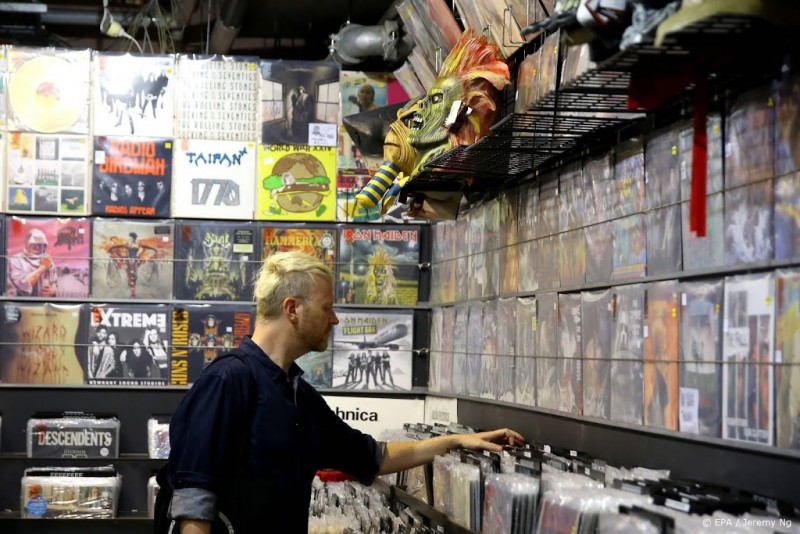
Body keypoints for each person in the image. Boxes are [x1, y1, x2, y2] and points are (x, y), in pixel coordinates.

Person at [164, 251, 524, 533]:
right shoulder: (228, 380)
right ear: (292, 309)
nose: (334, 319)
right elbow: (193, 499)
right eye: (327, 307)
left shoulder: (299, 396)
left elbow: (372, 457)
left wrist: (457, 442)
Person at [8, 229, 58, 297]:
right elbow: (23, 283)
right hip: (22, 302)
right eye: (34, 244)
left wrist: (53, 290)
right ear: (27, 244)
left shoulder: (47, 260)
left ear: (45, 246)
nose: (37, 247)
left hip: (44, 302)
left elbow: (54, 282)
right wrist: (43, 267)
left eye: (40, 245)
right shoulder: (16, 260)